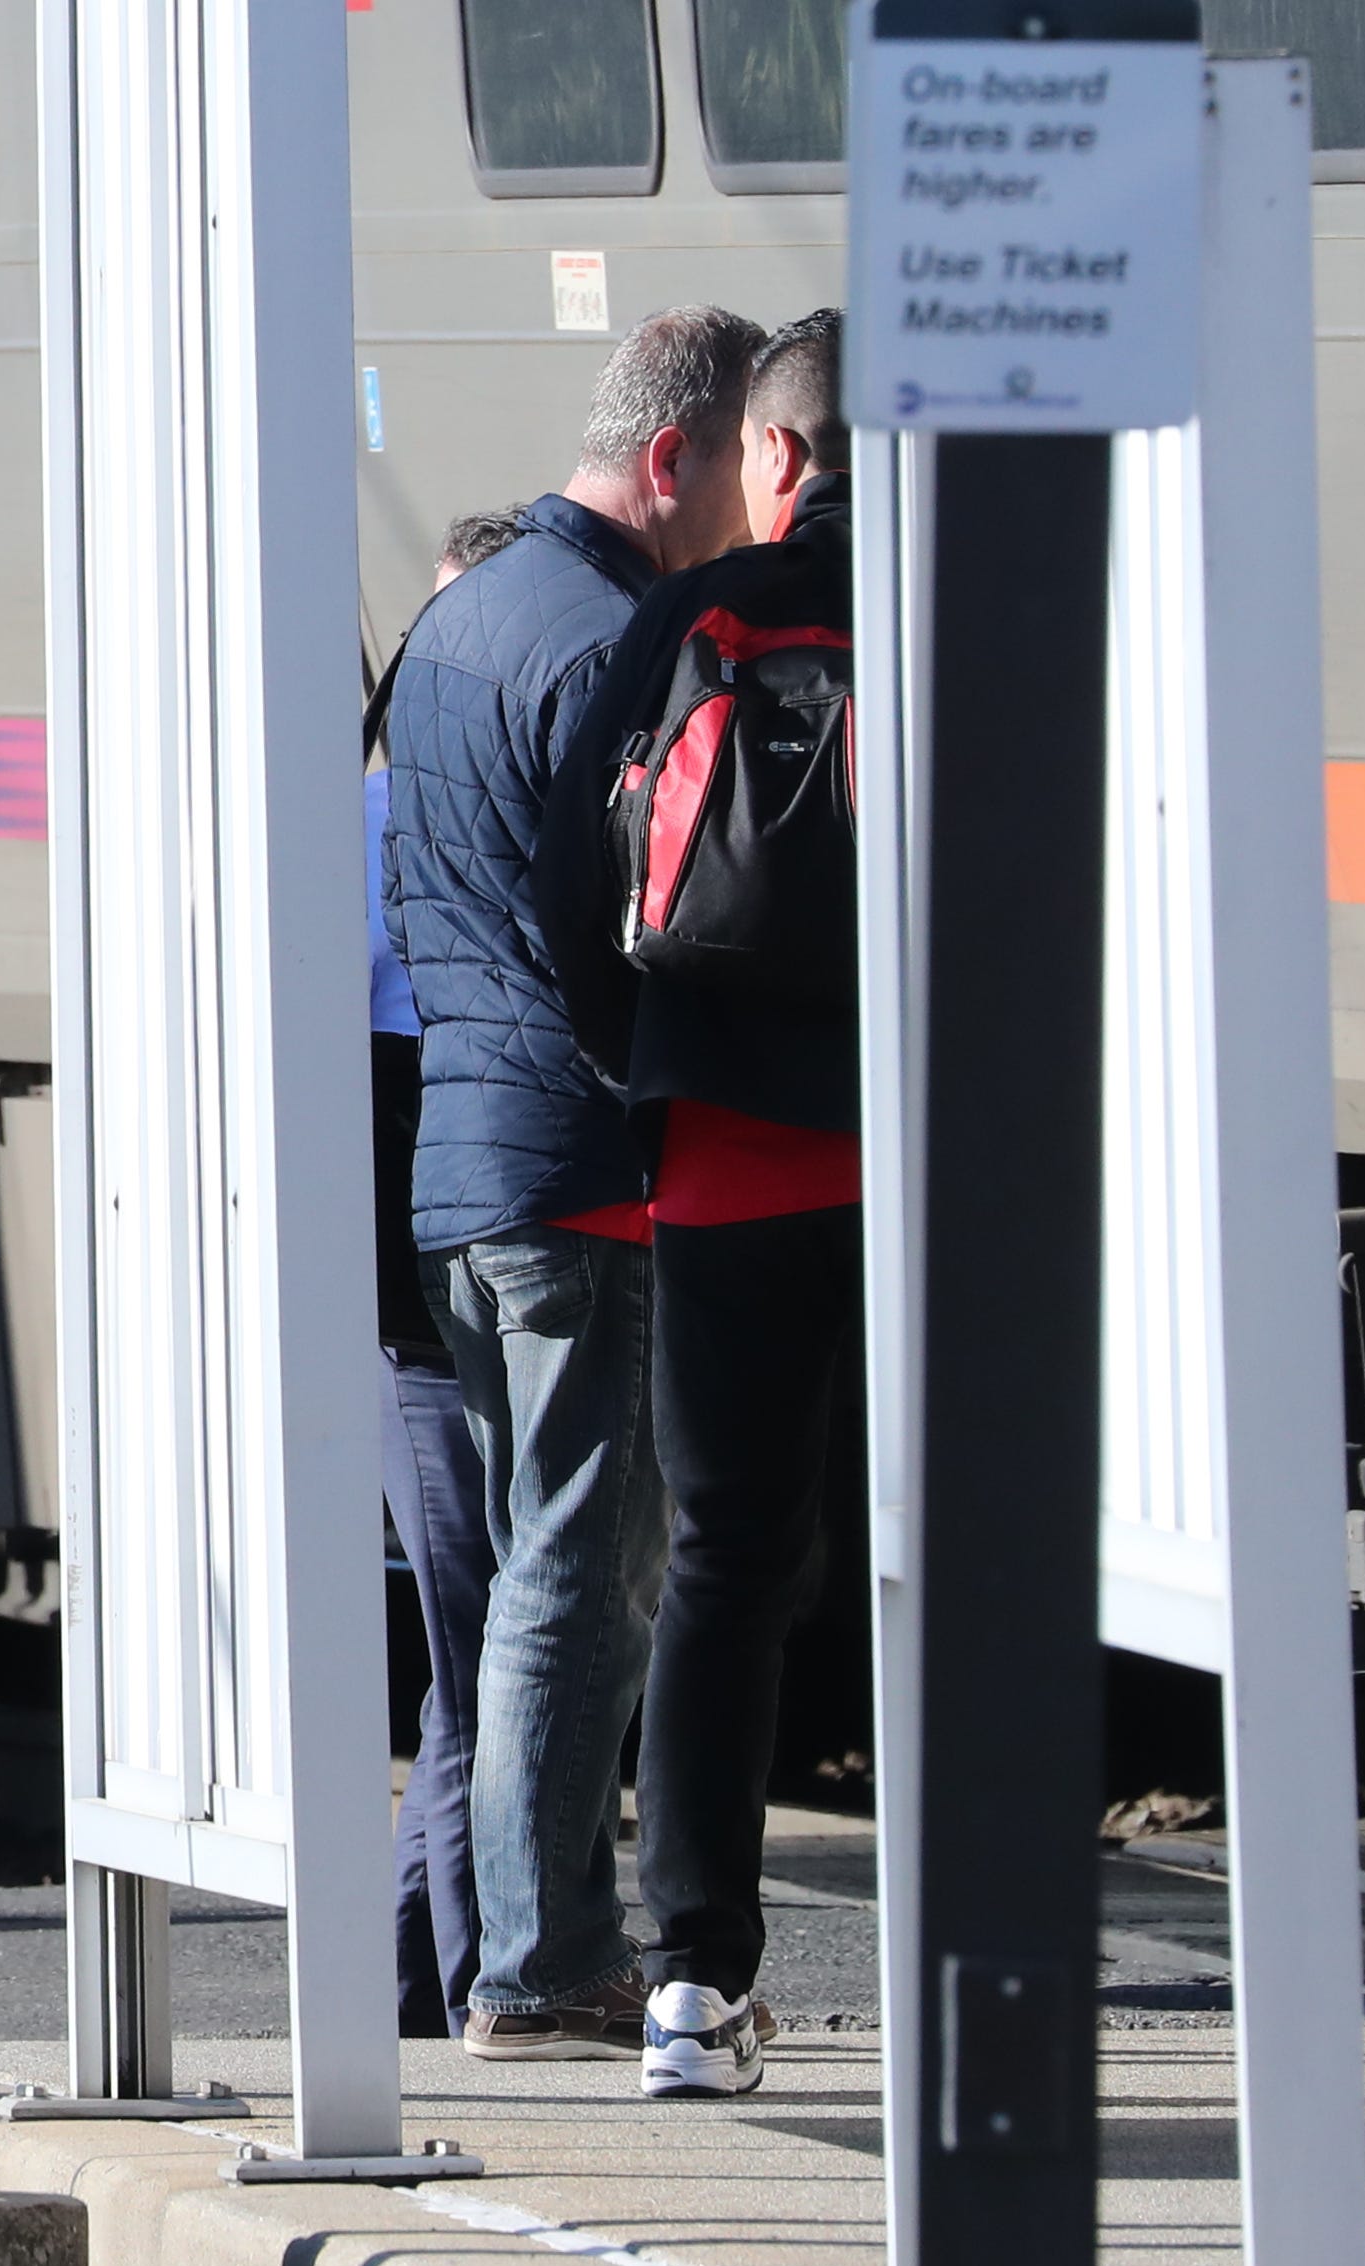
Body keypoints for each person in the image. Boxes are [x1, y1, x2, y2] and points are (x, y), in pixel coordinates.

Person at [378, 304, 762, 2063]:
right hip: (580, 1166)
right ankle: (541, 1964)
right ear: (666, 460)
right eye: (731, 487)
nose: (743, 532)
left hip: (462, 1159)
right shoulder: (613, 640)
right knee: (577, 1565)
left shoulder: (456, 617)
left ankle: (524, 1947)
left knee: (537, 1556)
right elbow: (642, 924)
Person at [567, 308, 860, 2100]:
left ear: (771, 455)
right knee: (955, 1556)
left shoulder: (694, 619)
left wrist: (652, 1070)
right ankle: (997, 1950)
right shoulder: (972, 613)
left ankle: (688, 1982)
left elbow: (567, 874)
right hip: (938, 1164)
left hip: (727, 1163)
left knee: (722, 1564)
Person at [373, 508, 519, 2041]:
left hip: (433, 1298)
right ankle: (483, 1983)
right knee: (482, 1646)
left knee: (468, 1658)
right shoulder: (391, 835)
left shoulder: (430, 824)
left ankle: (407, 1978)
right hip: (422, 1316)